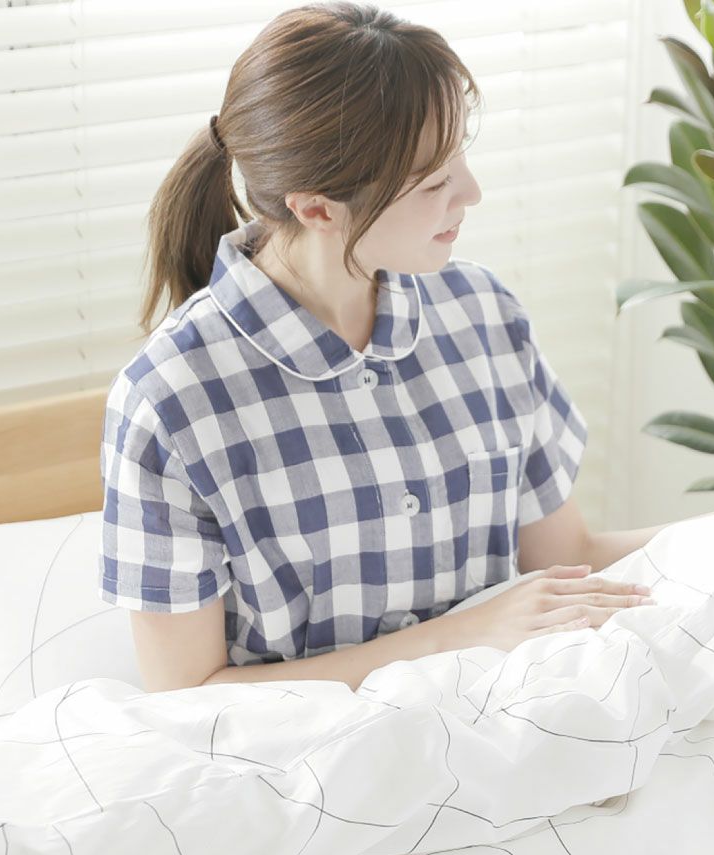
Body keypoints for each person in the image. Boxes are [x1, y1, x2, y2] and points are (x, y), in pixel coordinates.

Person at [97, 2, 654, 693]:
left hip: (519, 727)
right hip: (309, 755)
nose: (472, 192)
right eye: (435, 182)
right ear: (317, 208)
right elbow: (187, 695)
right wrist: (455, 636)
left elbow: (568, 558)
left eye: (460, 156)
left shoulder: (485, 315)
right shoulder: (171, 400)